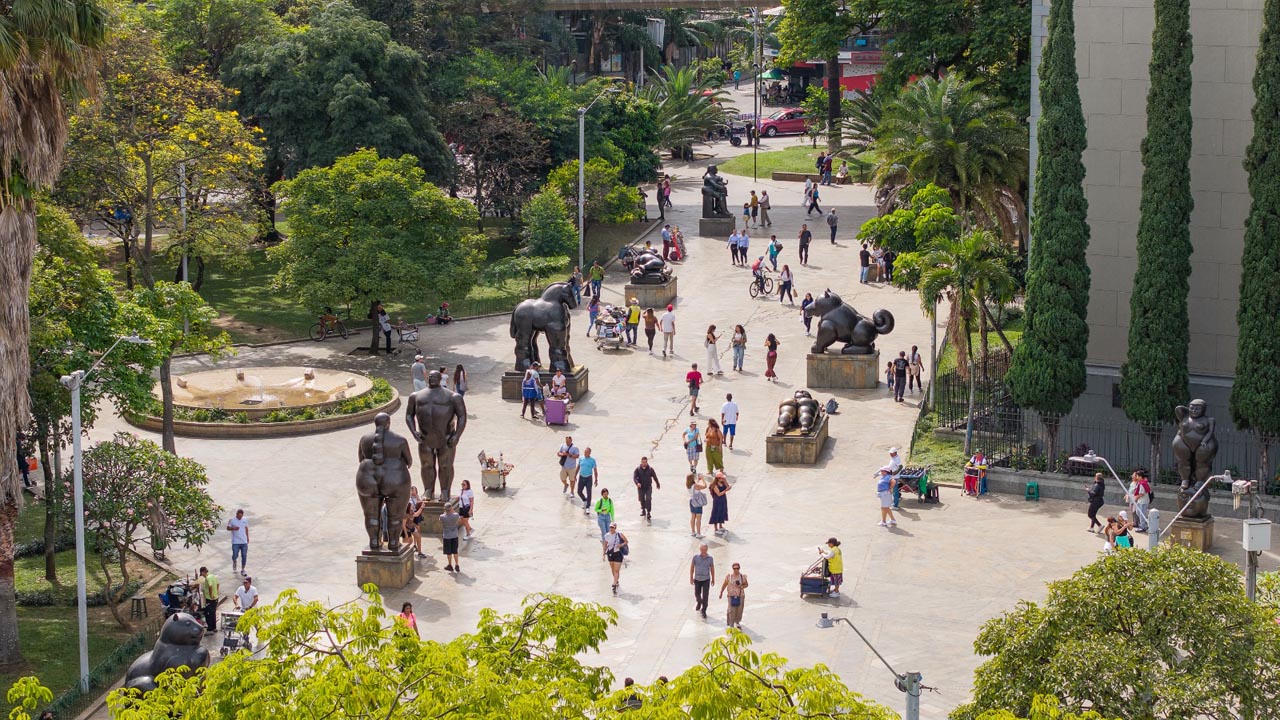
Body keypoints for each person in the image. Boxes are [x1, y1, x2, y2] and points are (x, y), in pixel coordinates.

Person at [719, 562, 748, 628]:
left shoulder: (742, 576)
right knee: (731, 610)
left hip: (740, 595)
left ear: (739, 568)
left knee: (739, 609)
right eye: (734, 568)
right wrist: (721, 592)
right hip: (731, 596)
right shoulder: (729, 576)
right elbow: (724, 584)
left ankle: (737, 622)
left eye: (737, 568)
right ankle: (731, 624)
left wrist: (741, 586)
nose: (736, 570)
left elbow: (746, 584)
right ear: (732, 569)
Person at [690, 544, 715, 619]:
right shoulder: (695, 557)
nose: (703, 551)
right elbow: (692, 567)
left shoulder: (710, 558)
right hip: (697, 579)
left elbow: (712, 568)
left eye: (705, 550)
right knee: (697, 593)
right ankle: (699, 602)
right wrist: (691, 577)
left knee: (705, 596)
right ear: (700, 549)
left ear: (707, 550)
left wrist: (713, 578)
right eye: (702, 550)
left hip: (706, 579)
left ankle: (704, 610)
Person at [603, 522, 628, 594]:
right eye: (610, 527)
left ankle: (614, 584)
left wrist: (621, 545)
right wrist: (603, 554)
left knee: (616, 570)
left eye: (613, 527)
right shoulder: (607, 535)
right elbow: (605, 544)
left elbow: (626, 541)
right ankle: (616, 580)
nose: (611, 529)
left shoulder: (619, 534)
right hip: (610, 553)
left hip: (618, 553)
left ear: (615, 528)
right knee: (613, 569)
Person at [227, 509, 249, 577]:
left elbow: (246, 528)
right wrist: (233, 528)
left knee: (244, 555)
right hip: (235, 542)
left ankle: (243, 569)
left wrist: (247, 537)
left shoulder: (245, 519)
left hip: (244, 541)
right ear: (236, 514)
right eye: (239, 516)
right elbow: (227, 528)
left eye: (241, 516)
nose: (240, 517)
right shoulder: (232, 520)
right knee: (235, 554)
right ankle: (234, 561)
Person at [576, 447, 599, 512]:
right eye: (585, 452)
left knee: (589, 492)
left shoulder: (592, 460)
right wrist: (575, 475)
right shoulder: (581, 458)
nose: (585, 453)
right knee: (579, 491)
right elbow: (578, 467)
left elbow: (595, 470)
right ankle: (584, 500)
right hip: (581, 476)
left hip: (589, 478)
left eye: (587, 452)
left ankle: (588, 507)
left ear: (589, 453)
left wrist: (596, 479)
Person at [405, 485, 426, 557]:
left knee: (418, 536)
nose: (413, 507)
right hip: (406, 528)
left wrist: (421, 507)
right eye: (411, 506)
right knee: (408, 542)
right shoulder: (405, 515)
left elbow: (416, 514)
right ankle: (405, 553)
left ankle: (419, 552)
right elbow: (403, 525)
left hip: (411, 526)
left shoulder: (412, 512)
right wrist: (405, 533)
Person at [441, 502, 461, 571]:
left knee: (448, 552)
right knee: (455, 551)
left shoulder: (442, 517)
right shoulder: (456, 515)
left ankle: (450, 565)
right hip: (454, 535)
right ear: (451, 508)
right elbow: (458, 520)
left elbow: (441, 520)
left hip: (447, 536)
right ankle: (457, 564)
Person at [687, 473, 708, 537]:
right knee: (698, 518)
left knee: (693, 517)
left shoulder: (688, 485)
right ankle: (698, 533)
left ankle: (693, 532)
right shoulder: (695, 486)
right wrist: (703, 479)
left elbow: (695, 488)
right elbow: (705, 486)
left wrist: (698, 481)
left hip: (691, 501)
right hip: (697, 502)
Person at [198, 566, 219, 631]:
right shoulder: (213, 576)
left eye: (202, 575)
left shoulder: (208, 577)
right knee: (213, 613)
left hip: (210, 599)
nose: (203, 576)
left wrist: (211, 595)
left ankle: (210, 628)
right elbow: (218, 584)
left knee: (208, 613)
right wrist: (216, 592)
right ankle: (214, 627)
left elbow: (210, 586)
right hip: (215, 598)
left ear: (203, 572)